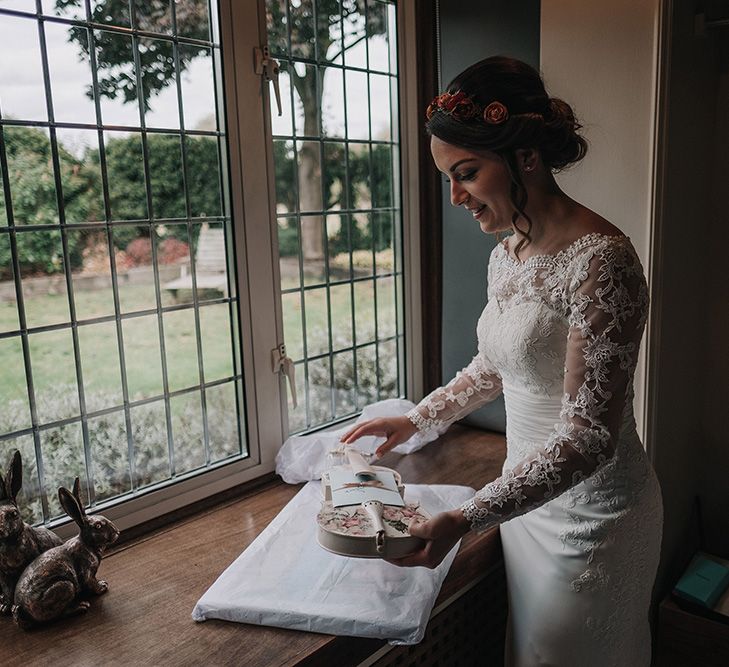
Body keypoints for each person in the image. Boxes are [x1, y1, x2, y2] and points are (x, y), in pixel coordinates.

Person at [340, 56, 663, 666]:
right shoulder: (508, 252)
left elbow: (588, 439)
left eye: (467, 173)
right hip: (525, 502)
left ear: (526, 158)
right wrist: (417, 419)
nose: (457, 196)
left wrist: (467, 516)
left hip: (593, 520)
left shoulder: (603, 264)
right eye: (448, 178)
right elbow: (497, 363)